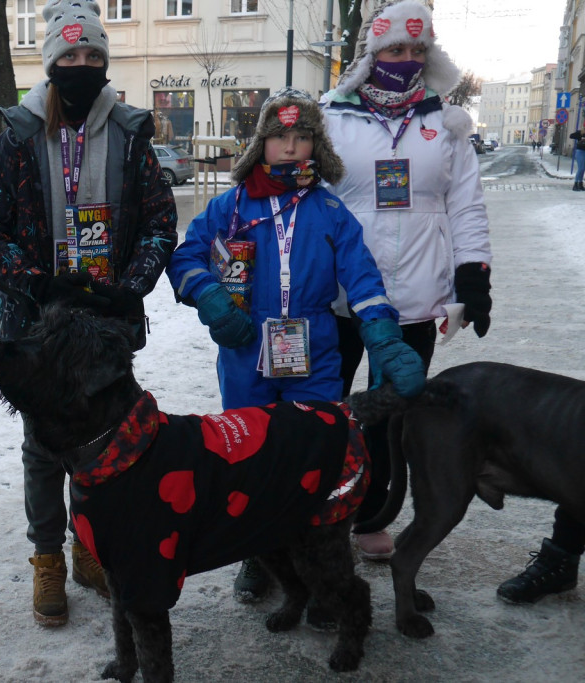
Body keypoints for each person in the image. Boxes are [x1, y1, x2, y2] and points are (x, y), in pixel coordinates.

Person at [165, 87, 426, 604]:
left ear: (315, 146)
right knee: (249, 456)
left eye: (301, 136)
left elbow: (364, 280)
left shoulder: (329, 211)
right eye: (280, 136)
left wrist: (382, 337)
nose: (290, 147)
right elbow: (186, 258)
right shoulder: (228, 207)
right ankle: (256, 555)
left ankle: (321, 560)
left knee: (317, 454)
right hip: (244, 350)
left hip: (315, 350)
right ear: (260, 144)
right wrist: (213, 299)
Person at [0, 0, 178, 627]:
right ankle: (47, 560)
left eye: (93, 55)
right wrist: (33, 282)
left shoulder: (130, 132)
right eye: (70, 56)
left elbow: (159, 222)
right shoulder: (16, 137)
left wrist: (130, 287)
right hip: (37, 320)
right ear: (51, 64)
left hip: (105, 321)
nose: (83, 65)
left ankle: (91, 546)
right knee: (43, 445)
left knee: (106, 437)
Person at [320, 0, 493, 564]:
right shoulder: (331, 116)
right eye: (396, 48)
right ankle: (312, 514)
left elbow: (466, 207)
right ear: (373, 52)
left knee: (391, 414)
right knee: (325, 408)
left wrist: (473, 277)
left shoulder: (446, 124)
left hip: (418, 297)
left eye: (418, 50)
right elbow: (308, 199)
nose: (407, 60)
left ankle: (371, 515)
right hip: (342, 296)